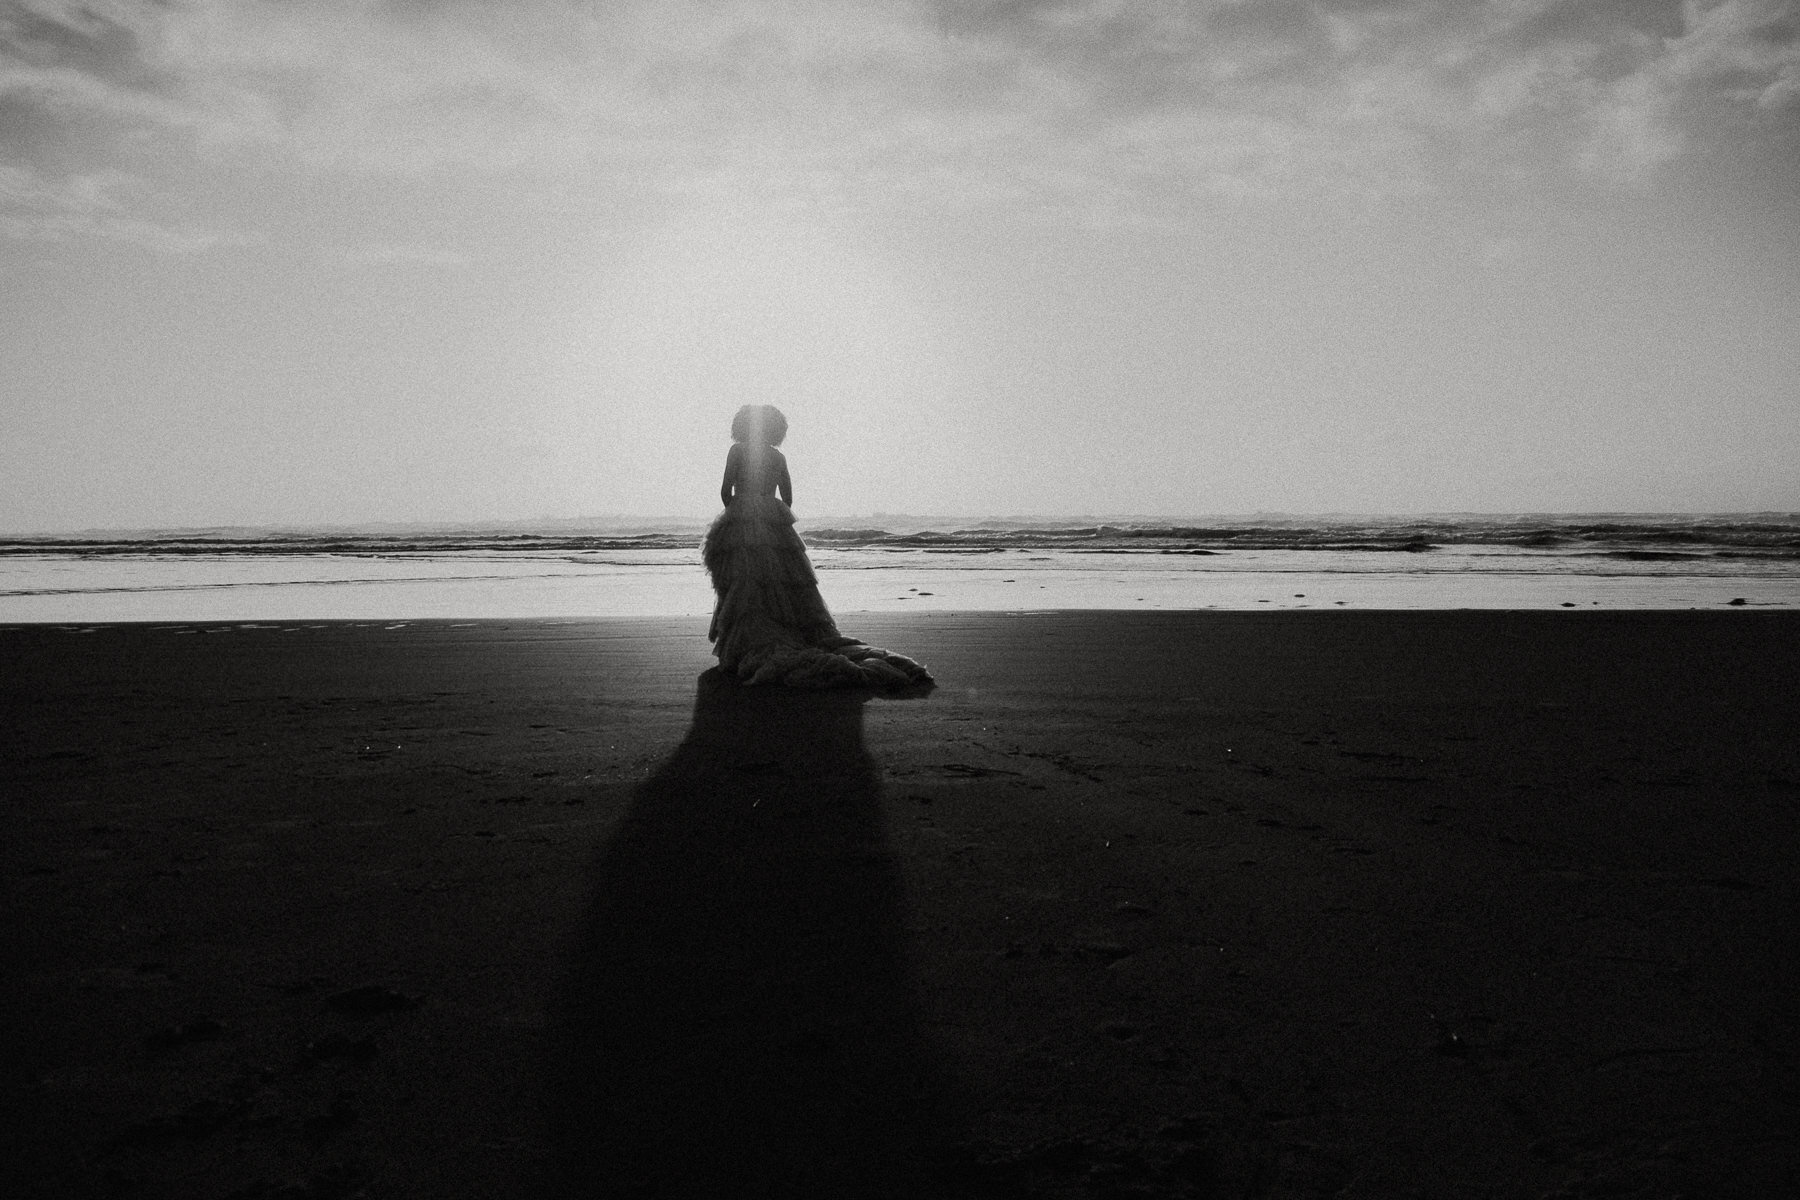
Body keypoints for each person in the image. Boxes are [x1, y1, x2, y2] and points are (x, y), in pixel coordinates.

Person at [703, 405, 932, 689]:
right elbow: (787, 498)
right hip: (774, 525)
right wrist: (771, 520)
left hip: (742, 520)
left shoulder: (737, 451)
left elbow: (726, 491)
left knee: (742, 586)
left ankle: (740, 648)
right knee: (783, 589)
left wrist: (739, 517)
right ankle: (784, 637)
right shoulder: (778, 456)